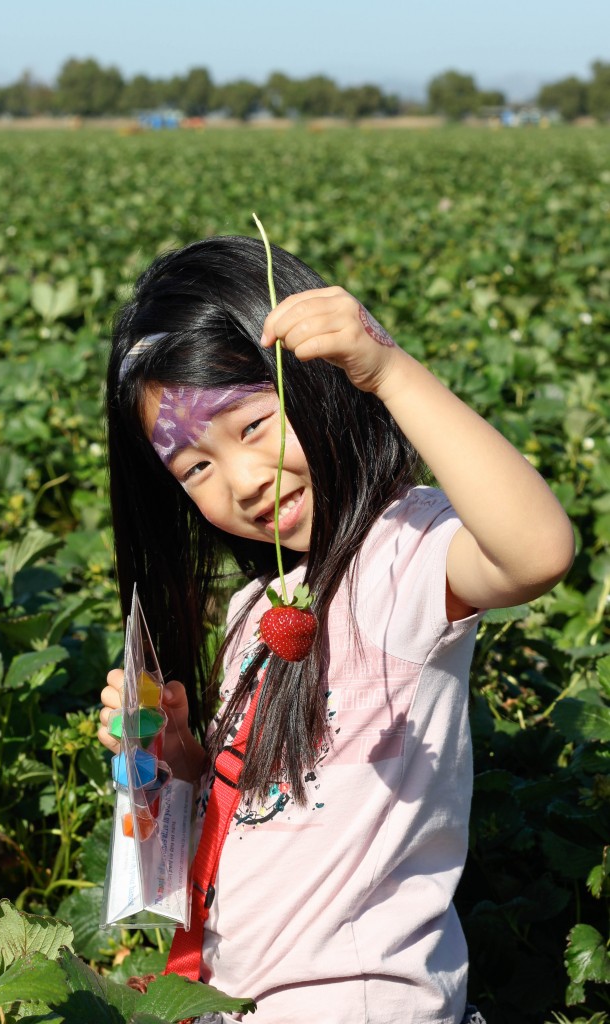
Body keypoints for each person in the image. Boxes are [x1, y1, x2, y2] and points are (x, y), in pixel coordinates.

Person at [98, 235, 574, 1024]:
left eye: (251, 426)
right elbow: (261, 811)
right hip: (239, 997)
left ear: (319, 384)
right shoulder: (255, 613)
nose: (244, 480)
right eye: (197, 469)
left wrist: (388, 369)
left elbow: (538, 551)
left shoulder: (403, 558)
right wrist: (180, 761)